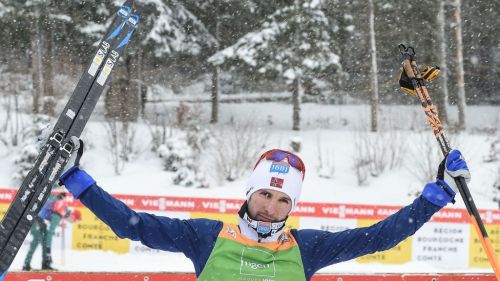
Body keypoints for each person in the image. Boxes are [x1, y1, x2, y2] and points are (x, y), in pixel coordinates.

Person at [59, 143, 469, 280]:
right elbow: (135, 226)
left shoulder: (306, 247)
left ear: (292, 207)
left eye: (282, 201)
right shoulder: (207, 236)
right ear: (250, 194)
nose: (271, 207)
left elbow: (380, 237)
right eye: (266, 195)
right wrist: (77, 181)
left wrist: (436, 196)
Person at [22, 192, 82, 271]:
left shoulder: (62, 207)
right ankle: (27, 264)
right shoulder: (60, 212)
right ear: (72, 215)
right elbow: (50, 233)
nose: (73, 222)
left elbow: (51, 205)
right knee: (38, 238)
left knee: (43, 238)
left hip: (37, 217)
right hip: (35, 218)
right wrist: (48, 251)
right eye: (75, 220)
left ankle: (45, 264)